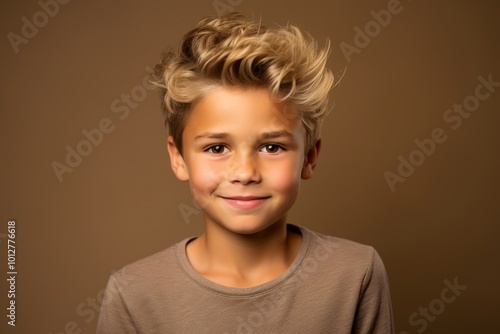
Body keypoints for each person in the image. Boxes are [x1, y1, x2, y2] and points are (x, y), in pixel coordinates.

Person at [97, 12, 394, 333]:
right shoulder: (134, 295)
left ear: (309, 156)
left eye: (271, 147)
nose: (245, 173)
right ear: (179, 157)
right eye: (216, 148)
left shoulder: (355, 273)